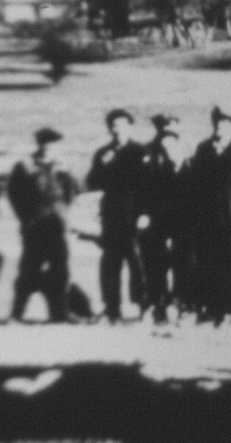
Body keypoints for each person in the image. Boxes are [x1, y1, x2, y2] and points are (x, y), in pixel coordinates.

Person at [189, 107, 231, 325]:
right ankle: (216, 310)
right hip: (210, 213)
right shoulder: (204, 148)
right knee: (213, 261)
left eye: (226, 122)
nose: (220, 126)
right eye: (218, 121)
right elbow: (197, 184)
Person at [7, 127, 80, 322]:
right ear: (38, 144)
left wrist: (62, 213)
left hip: (57, 225)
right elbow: (14, 194)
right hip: (34, 225)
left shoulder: (63, 167)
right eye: (44, 143)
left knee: (60, 269)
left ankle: (59, 312)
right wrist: (25, 217)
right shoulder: (25, 166)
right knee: (29, 268)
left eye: (52, 144)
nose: (48, 147)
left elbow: (72, 193)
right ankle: (17, 313)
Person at [85, 108, 147, 322]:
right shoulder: (103, 153)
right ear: (109, 129)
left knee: (137, 262)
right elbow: (92, 183)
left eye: (122, 125)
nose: (117, 129)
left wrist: (145, 213)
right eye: (114, 125)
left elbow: (148, 185)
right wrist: (103, 164)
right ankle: (112, 309)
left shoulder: (140, 151)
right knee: (110, 263)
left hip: (135, 214)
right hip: (111, 214)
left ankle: (142, 306)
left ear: (130, 127)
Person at [137, 114, 188, 323]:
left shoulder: (186, 153)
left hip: (182, 216)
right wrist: (142, 213)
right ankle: (156, 303)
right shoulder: (147, 154)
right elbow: (140, 188)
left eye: (172, 133)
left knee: (182, 261)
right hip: (155, 216)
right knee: (155, 262)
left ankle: (179, 303)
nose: (167, 137)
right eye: (164, 132)